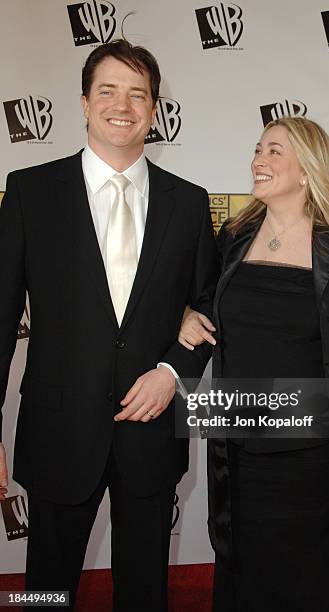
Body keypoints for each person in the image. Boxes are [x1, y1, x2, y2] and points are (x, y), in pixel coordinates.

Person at [0, 39, 218, 611]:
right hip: (59, 430)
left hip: (151, 429)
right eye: (108, 91)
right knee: (46, 588)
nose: (122, 105)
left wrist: (173, 370)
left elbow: (210, 304)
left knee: (144, 590)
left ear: (153, 109)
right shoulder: (29, 191)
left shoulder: (189, 204)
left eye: (137, 94)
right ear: (84, 101)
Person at [179, 117, 329, 611]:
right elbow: (202, 302)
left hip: (315, 458)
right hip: (239, 453)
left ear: (307, 170)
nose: (258, 161)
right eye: (257, 150)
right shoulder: (233, 236)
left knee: (313, 583)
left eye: (274, 152)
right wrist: (187, 314)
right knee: (242, 579)